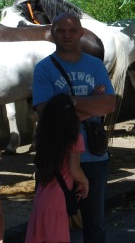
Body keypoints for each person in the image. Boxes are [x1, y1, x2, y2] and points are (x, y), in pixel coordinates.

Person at [32, 12, 116, 243]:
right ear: (52, 34)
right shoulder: (44, 69)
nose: (67, 35)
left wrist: (70, 103)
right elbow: (46, 115)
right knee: (54, 220)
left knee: (95, 223)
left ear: (81, 33)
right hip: (58, 160)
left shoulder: (96, 65)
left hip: (94, 157)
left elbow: (109, 104)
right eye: (61, 30)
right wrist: (92, 104)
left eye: (72, 30)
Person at [26, 93, 89, 243]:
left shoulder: (43, 136)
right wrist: (85, 182)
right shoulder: (75, 138)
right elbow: (75, 170)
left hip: (41, 198)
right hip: (58, 202)